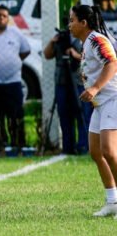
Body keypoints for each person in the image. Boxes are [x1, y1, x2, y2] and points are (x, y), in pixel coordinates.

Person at [68, 5, 117, 217]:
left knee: (109, 151)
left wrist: (95, 88)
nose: (69, 25)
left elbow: (112, 63)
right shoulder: (87, 42)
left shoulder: (97, 39)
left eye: (72, 20)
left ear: (83, 23)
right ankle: (112, 201)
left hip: (113, 99)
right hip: (100, 104)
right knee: (96, 152)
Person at [0, 5, 30, 156]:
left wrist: (13, 62)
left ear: (8, 18)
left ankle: (18, 145)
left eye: (4, 16)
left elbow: (25, 50)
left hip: (13, 82)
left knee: (16, 115)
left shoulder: (15, 33)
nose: (1, 18)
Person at [43, 26, 88, 155]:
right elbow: (47, 55)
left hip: (78, 82)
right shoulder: (61, 38)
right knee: (64, 113)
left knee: (81, 113)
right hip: (61, 81)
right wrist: (52, 42)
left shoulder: (85, 38)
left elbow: (91, 58)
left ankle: (83, 146)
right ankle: (68, 147)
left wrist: (75, 54)